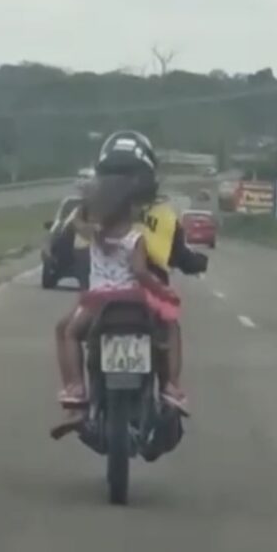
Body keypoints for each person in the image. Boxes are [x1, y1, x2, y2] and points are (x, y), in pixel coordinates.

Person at [55, 171, 187, 414]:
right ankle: (171, 386)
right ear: (130, 210)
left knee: (70, 333)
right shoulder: (136, 238)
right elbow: (140, 273)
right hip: (132, 299)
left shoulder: (94, 234)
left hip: (97, 303)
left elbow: (75, 222)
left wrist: (85, 204)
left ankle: (76, 387)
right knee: (170, 326)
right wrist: (162, 290)